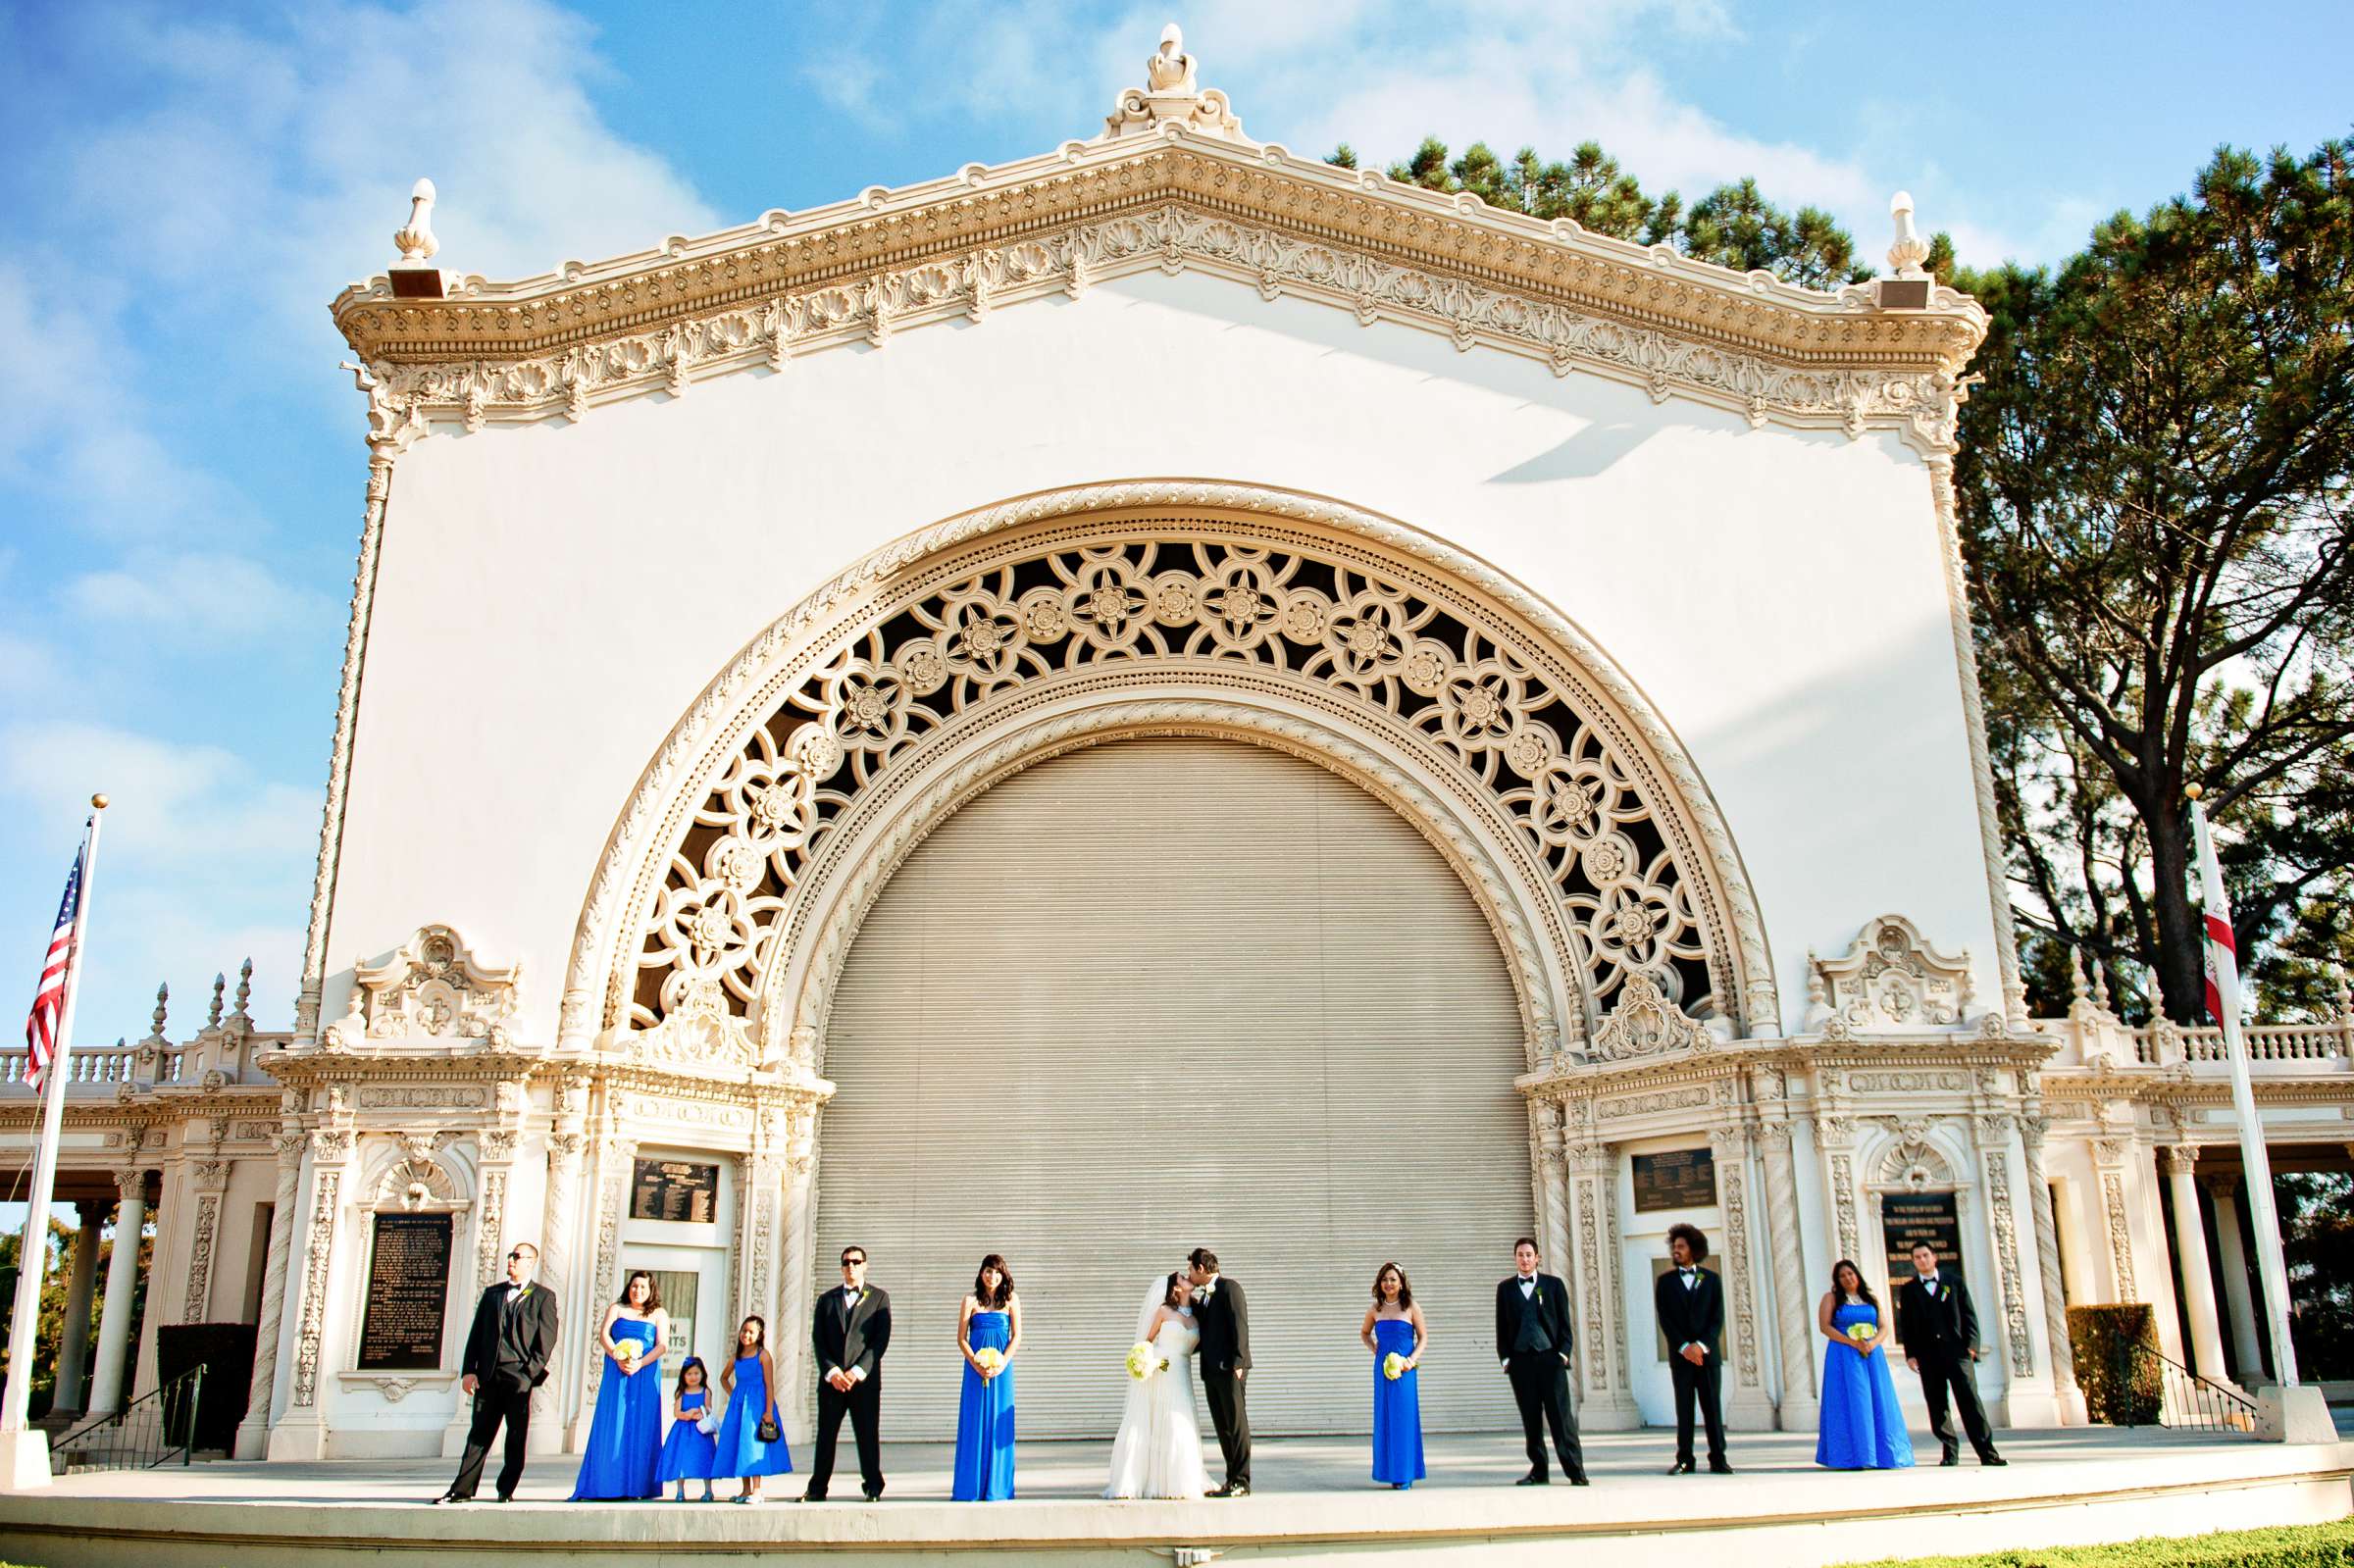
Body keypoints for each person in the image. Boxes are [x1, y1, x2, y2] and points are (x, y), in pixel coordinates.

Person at [435, 1241, 559, 1503]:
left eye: (517, 1256)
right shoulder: (492, 1294)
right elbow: (477, 1334)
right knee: (479, 1434)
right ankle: (461, 1489)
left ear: (530, 1262)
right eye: (510, 1255)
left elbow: (546, 1340)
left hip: (519, 1378)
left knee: (515, 1436)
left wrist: (529, 1373)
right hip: (489, 1375)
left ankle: (506, 1489)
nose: (511, 1260)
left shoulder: (543, 1297)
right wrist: (469, 1371)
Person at [1897, 1240, 2006, 1467]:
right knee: (1937, 1405)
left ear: (1934, 1257)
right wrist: (1911, 1354)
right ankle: (1950, 1452)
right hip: (1928, 1356)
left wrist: (1972, 1347)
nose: (1922, 1260)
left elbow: (1969, 1317)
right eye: (1917, 1257)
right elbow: (1906, 1325)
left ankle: (1987, 1453)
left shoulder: (1954, 1283)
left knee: (1970, 1402)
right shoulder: (1908, 1290)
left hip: (1957, 1353)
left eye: (1925, 1255)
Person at [1105, 1270, 1212, 1499]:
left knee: (1183, 1420)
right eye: (1183, 1278)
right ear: (1175, 1287)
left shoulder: (1196, 1313)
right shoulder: (1164, 1311)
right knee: (1168, 1420)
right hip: (1164, 1370)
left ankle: (1182, 1477)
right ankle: (1156, 1480)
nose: (1188, 1279)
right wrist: (1152, 1362)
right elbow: (1146, 1342)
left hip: (1183, 1372)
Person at [571, 1269, 669, 1499]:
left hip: (644, 1374)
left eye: (643, 1287)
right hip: (617, 1372)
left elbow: (662, 1345)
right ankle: (607, 1483)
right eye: (635, 1286)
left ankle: (638, 1486)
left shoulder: (658, 1314)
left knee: (641, 1425)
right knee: (612, 1423)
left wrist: (640, 1363)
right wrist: (617, 1355)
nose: (638, 1291)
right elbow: (604, 1335)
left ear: (650, 1289)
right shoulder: (617, 1309)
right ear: (629, 1287)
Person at [1494, 1237, 1585, 1486]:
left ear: (1537, 1258)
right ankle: (1539, 1470)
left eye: (1528, 1255)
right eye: (1520, 1255)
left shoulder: (1553, 1285)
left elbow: (1565, 1326)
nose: (1524, 1259)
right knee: (1531, 1419)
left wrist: (1562, 1355)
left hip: (1550, 1360)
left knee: (1560, 1418)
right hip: (1521, 1362)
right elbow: (1501, 1327)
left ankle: (1575, 1470)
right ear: (1515, 1258)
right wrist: (1506, 1359)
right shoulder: (1505, 1289)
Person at [804, 1244, 892, 1502]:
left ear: (865, 1265)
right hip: (833, 1383)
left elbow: (880, 1340)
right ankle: (817, 1488)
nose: (850, 1266)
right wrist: (831, 1371)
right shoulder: (826, 1300)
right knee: (826, 1436)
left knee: (867, 1435)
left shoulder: (879, 1298)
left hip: (863, 1383)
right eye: (846, 1262)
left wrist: (857, 1371)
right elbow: (818, 1340)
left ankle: (873, 1485)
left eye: (855, 1262)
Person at [1816, 1259, 1914, 1471]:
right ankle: (1853, 1455)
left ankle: (1883, 1454)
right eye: (1842, 1276)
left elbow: (1884, 1326)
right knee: (1852, 1399)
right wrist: (1852, 1342)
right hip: (1844, 1354)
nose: (1847, 1278)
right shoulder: (1831, 1299)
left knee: (1878, 1399)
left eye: (1850, 1273)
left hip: (1871, 1355)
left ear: (1857, 1275)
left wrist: (1872, 1343)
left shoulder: (1871, 1299)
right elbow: (1825, 1326)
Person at [1655, 1222, 1731, 1475]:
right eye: (1674, 1246)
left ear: (1693, 1249)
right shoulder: (1665, 1282)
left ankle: (1718, 1457)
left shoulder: (1711, 1280)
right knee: (1684, 1408)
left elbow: (1716, 1318)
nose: (1676, 1250)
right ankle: (1685, 1458)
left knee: (1712, 1408)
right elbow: (1666, 1319)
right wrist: (1685, 1347)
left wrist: (1701, 1346)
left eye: (1681, 1246)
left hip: (1707, 1358)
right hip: (1682, 1358)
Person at [952, 1253, 1022, 1501]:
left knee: (998, 1424)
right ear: (981, 1273)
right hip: (975, 1370)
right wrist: (976, 1363)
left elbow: (1017, 1336)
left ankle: (998, 1487)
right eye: (988, 1271)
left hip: (1002, 1370)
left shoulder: (1011, 1300)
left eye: (997, 1272)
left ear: (1003, 1275)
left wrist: (1002, 1362)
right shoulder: (970, 1300)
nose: (992, 1276)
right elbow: (961, 1338)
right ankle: (970, 1486)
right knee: (974, 1421)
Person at [1187, 1247, 1252, 1497]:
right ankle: (1230, 1479)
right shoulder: (1205, 1296)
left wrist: (1239, 1363)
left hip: (1229, 1369)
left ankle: (1242, 1482)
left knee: (1236, 1426)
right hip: (1211, 1371)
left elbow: (1239, 1324)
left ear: (1201, 1269)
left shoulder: (1229, 1288)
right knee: (1222, 1426)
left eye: (1190, 1270)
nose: (1189, 1275)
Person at [713, 1315, 793, 1502]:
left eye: (751, 1332)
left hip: (758, 1405)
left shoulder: (763, 1356)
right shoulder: (736, 1358)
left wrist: (768, 1411)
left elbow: (769, 1385)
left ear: (759, 1334)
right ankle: (746, 1489)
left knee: (754, 1445)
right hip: (739, 1405)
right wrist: (733, 1394)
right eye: (744, 1331)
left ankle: (757, 1490)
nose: (746, 1335)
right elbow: (723, 1378)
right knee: (740, 1444)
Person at [1360, 1260, 1426, 1490]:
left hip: (1405, 1371)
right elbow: (1364, 1333)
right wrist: (1375, 1348)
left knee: (1404, 1418)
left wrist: (1411, 1360)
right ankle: (1388, 1471)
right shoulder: (1375, 1309)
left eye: (1393, 1280)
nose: (1388, 1283)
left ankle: (1405, 1472)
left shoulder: (1410, 1307)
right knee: (1385, 1417)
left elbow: (1423, 1337)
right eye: (1385, 1279)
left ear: (1401, 1283)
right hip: (1383, 1369)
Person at [658, 1356, 720, 1501]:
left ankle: (708, 1490)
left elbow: (708, 1408)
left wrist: (701, 1413)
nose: (693, 1377)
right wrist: (688, 1414)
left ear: (702, 1374)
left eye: (696, 1373)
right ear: (683, 1376)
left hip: (700, 1431)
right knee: (681, 1459)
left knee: (704, 1458)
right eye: (689, 1374)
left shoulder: (705, 1391)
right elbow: (677, 1413)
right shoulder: (681, 1392)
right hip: (682, 1431)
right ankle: (680, 1490)